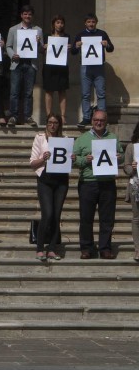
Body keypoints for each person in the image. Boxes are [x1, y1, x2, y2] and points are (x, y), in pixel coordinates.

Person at [73, 110, 120, 259]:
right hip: (88, 183)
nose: (98, 123)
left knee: (107, 218)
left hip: (108, 183)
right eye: (95, 120)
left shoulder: (113, 138)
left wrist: (120, 157)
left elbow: (122, 157)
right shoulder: (82, 139)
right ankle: (87, 248)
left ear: (106, 122)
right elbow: (74, 159)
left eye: (101, 120)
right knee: (86, 217)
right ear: (92, 121)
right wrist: (84, 160)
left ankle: (105, 248)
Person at [29, 114, 69, 261]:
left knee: (56, 215)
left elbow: (68, 159)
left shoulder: (65, 140)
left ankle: (52, 248)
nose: (53, 125)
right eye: (50, 122)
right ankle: (40, 248)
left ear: (59, 125)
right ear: (46, 124)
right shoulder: (39, 137)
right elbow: (32, 163)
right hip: (45, 179)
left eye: (55, 123)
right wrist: (43, 159)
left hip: (61, 180)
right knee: (48, 213)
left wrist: (72, 158)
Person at [72, 13, 115, 127]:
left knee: (101, 93)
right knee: (85, 94)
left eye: (93, 22)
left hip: (99, 67)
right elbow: (73, 51)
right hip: (85, 67)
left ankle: (102, 117)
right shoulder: (80, 35)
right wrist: (76, 46)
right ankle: (86, 117)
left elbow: (111, 48)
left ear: (96, 23)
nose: (91, 24)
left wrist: (107, 45)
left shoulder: (102, 33)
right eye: (89, 22)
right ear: (85, 23)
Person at [5, 5, 43, 127]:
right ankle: (13, 116)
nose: (27, 16)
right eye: (25, 14)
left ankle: (28, 116)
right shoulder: (13, 29)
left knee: (28, 92)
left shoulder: (38, 30)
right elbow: (8, 46)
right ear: (21, 15)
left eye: (30, 14)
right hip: (17, 64)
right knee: (14, 92)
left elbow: (42, 50)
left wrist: (38, 43)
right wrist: (12, 55)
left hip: (31, 64)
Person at [42, 15, 70, 119]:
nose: (60, 25)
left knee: (62, 91)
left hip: (62, 67)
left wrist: (68, 48)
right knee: (49, 90)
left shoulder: (66, 37)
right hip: (49, 66)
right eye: (58, 22)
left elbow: (68, 52)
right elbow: (42, 51)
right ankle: (48, 114)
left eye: (62, 23)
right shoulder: (47, 36)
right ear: (54, 24)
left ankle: (63, 116)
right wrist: (44, 48)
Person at [122, 122, 139, 262]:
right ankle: (138, 249)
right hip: (136, 186)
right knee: (137, 218)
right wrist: (132, 168)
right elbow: (126, 167)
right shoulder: (131, 147)